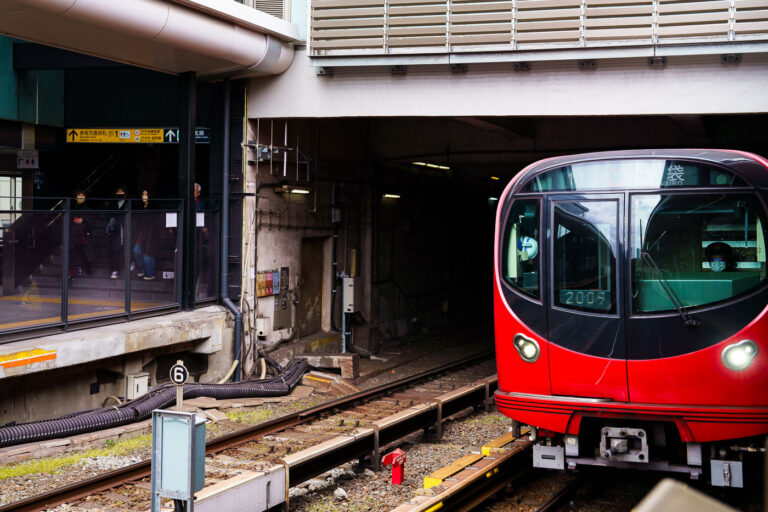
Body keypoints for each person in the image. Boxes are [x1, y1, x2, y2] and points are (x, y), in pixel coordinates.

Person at [132, 188, 158, 280]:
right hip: (141, 235)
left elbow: (155, 224)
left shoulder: (154, 207)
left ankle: (150, 274)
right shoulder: (140, 206)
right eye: (143, 194)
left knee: (147, 256)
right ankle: (141, 270)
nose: (144, 196)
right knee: (136, 252)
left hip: (151, 236)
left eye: (146, 194)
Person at [69, 189, 92, 279]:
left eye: (83, 195)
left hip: (83, 235)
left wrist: (83, 220)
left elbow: (91, 221)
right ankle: (71, 273)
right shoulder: (72, 208)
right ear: (75, 197)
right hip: (74, 235)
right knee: (74, 253)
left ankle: (85, 269)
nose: (81, 197)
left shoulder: (87, 208)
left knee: (85, 253)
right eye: (79, 195)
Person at [106, 185, 128, 279]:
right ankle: (114, 269)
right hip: (114, 230)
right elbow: (109, 216)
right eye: (118, 192)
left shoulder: (128, 203)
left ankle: (121, 266)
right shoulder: (112, 203)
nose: (120, 194)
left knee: (123, 248)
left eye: (122, 192)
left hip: (125, 228)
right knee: (114, 250)